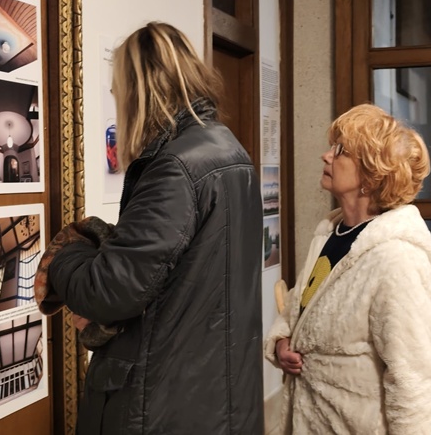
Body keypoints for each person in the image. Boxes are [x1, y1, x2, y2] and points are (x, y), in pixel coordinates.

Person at [38, 22, 264, 434]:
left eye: (117, 89)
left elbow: (110, 290)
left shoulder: (177, 166)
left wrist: (66, 255)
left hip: (163, 404)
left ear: (139, 90)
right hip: (213, 396)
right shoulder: (229, 150)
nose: (115, 99)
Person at [264, 104, 431, 434]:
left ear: (371, 175)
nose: (326, 156)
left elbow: (415, 381)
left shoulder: (397, 258)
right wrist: (282, 340)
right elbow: (300, 308)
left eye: (340, 151)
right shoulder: (330, 234)